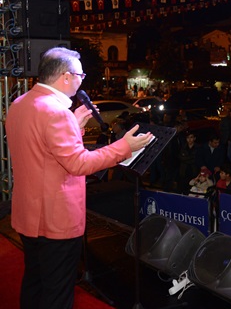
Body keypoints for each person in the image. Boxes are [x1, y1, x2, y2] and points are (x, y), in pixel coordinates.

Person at [6, 46, 153, 309]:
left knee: (35, 282)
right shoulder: (55, 112)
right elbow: (77, 163)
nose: (82, 79)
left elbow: (43, 150)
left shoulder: (21, 104)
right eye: (80, 75)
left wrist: (74, 123)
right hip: (55, 219)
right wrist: (124, 148)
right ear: (65, 76)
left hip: (29, 215)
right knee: (58, 292)